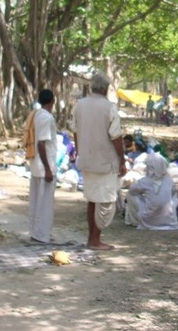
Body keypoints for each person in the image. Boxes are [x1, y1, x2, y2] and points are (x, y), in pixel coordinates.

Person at [73, 72, 126, 251]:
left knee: (92, 200)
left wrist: (80, 152)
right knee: (104, 202)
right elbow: (116, 136)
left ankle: (92, 238)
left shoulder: (79, 105)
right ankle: (95, 240)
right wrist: (122, 160)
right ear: (105, 88)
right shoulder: (109, 107)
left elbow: (75, 131)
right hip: (105, 162)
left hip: (87, 160)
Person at [28, 89, 57, 244]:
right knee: (45, 203)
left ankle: (36, 231)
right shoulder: (46, 117)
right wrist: (48, 168)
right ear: (52, 101)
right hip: (44, 165)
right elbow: (41, 144)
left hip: (36, 164)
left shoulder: (36, 114)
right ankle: (41, 234)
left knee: (36, 200)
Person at [125, 153, 178, 230]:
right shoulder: (169, 180)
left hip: (148, 218)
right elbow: (173, 193)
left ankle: (135, 221)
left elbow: (132, 190)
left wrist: (143, 195)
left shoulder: (145, 181)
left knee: (130, 194)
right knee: (172, 197)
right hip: (169, 218)